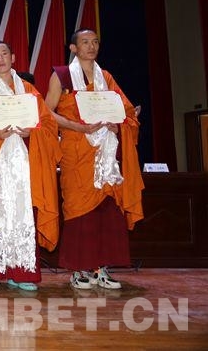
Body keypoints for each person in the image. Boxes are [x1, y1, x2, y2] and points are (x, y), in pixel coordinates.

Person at [45, 28, 144, 290]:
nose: (91, 46)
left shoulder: (106, 77)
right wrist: (77, 127)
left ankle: (102, 268)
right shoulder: (62, 75)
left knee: (106, 211)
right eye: (85, 42)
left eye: (95, 42)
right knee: (79, 212)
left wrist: (119, 123)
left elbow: (125, 111)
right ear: (73, 48)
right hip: (76, 152)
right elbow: (46, 112)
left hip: (104, 154)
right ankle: (79, 269)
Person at [0, 41, 60, 291]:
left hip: (23, 162)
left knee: (22, 212)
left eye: (4, 54)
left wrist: (32, 132)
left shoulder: (28, 90)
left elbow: (47, 123)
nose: (0, 59)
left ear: (13, 57)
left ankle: (22, 272)